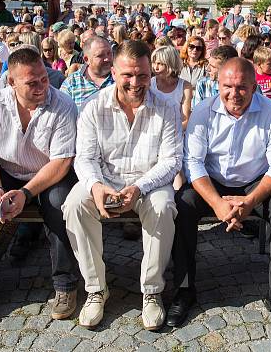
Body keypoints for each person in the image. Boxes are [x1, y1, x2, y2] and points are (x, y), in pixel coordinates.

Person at [168, 58, 271, 335]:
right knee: (182, 204)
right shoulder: (203, 112)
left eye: (241, 87)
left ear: (254, 87)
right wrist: (216, 202)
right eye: (227, 86)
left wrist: (250, 202)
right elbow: (193, 163)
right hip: (212, 182)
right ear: (218, 85)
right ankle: (184, 290)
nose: (234, 93)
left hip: (255, 183)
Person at [61, 41, 181, 331]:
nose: (136, 83)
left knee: (164, 206)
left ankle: (152, 291)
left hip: (149, 182)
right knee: (75, 204)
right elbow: (85, 158)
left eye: (142, 75)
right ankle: (96, 288)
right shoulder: (93, 107)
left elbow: (172, 161)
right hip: (106, 181)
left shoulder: (167, 107)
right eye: (128, 75)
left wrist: (138, 187)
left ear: (151, 73)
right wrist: (96, 187)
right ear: (113, 72)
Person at [0, 48, 80, 324]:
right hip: (9, 170)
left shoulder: (63, 104)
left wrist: (26, 193)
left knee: (58, 203)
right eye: (32, 82)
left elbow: (62, 162)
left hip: (50, 172)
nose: (41, 87)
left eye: (43, 79)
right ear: (11, 82)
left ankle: (65, 283)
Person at [59, 36, 114, 111]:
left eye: (109, 53)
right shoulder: (71, 84)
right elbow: (63, 114)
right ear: (86, 59)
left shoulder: (121, 77)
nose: (107, 59)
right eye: (100, 55)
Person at [150, 45, 193, 129]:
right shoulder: (150, 84)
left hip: (175, 133)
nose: (155, 68)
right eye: (154, 63)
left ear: (171, 63)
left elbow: (185, 119)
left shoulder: (185, 87)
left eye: (160, 64)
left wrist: (170, 133)